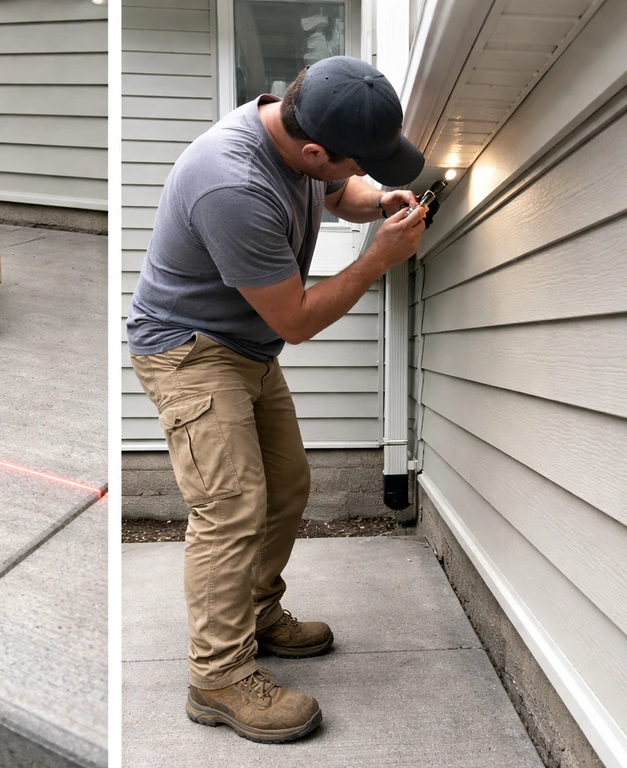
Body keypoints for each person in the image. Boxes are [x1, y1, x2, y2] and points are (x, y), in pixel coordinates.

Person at [127, 56, 428, 743]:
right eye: (364, 163)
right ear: (315, 149)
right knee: (230, 507)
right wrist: (376, 258)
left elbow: (332, 194)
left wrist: (375, 203)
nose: (369, 174)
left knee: (286, 488)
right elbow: (293, 320)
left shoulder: (291, 137)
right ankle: (218, 677)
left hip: (245, 350)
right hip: (190, 350)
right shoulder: (230, 182)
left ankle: (255, 613)